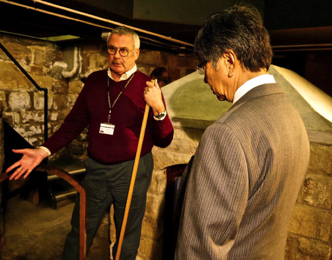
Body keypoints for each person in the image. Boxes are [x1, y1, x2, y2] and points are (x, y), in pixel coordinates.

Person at [6, 26, 174, 260]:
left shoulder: (148, 86)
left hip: (132, 170)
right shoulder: (95, 82)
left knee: (127, 234)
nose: (117, 56)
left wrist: (159, 108)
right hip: (96, 169)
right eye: (112, 49)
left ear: (136, 53)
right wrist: (44, 150)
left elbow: (164, 140)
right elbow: (74, 122)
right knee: (81, 228)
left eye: (124, 51)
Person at [174, 4, 310, 260]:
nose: (205, 79)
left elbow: (202, 247)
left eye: (204, 67)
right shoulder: (291, 115)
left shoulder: (226, 134)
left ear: (228, 61)